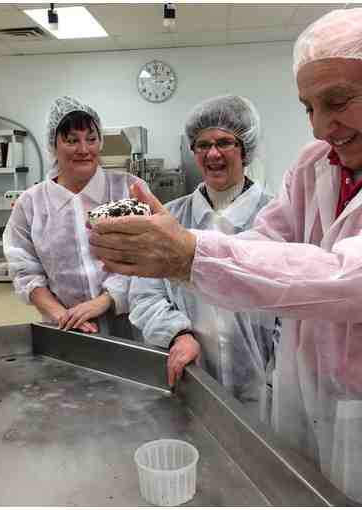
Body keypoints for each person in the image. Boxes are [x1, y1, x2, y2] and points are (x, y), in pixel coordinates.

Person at [89, 8, 362, 506]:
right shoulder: (320, 165)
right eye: (308, 108)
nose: (320, 129)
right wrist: (175, 256)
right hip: (310, 398)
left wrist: (189, 256)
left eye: (337, 101)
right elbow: (267, 243)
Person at [129, 95, 278, 418]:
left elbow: (297, 309)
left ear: (245, 148)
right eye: (202, 144)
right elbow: (144, 293)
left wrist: (277, 373)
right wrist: (178, 334)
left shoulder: (276, 218)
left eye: (225, 142)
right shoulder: (171, 217)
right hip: (189, 373)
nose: (213, 153)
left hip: (265, 388)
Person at [4, 96, 148, 338]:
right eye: (72, 141)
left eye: (91, 139)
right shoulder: (31, 204)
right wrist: (63, 316)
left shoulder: (130, 189)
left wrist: (104, 301)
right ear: (53, 145)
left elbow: (149, 256)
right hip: (65, 329)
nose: (84, 149)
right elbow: (24, 270)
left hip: (131, 322)